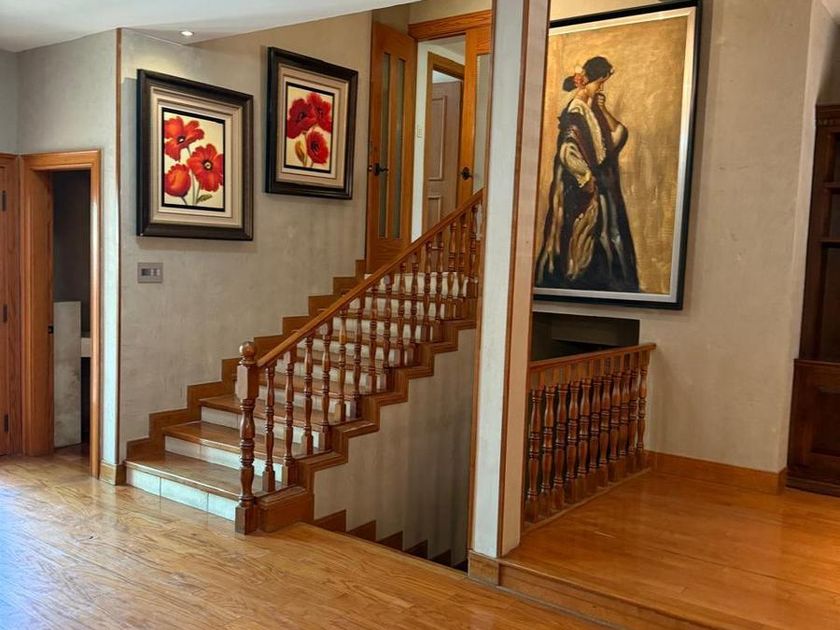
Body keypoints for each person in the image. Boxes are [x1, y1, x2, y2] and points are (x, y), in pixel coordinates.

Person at [536, 56, 640, 293]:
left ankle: (599, 285)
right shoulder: (576, 112)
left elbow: (616, 136)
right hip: (579, 189)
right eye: (600, 83)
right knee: (581, 237)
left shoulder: (592, 109)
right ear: (591, 80)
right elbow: (567, 151)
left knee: (604, 234)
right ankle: (578, 282)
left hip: (599, 185)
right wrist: (587, 178)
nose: (601, 88)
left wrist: (603, 109)